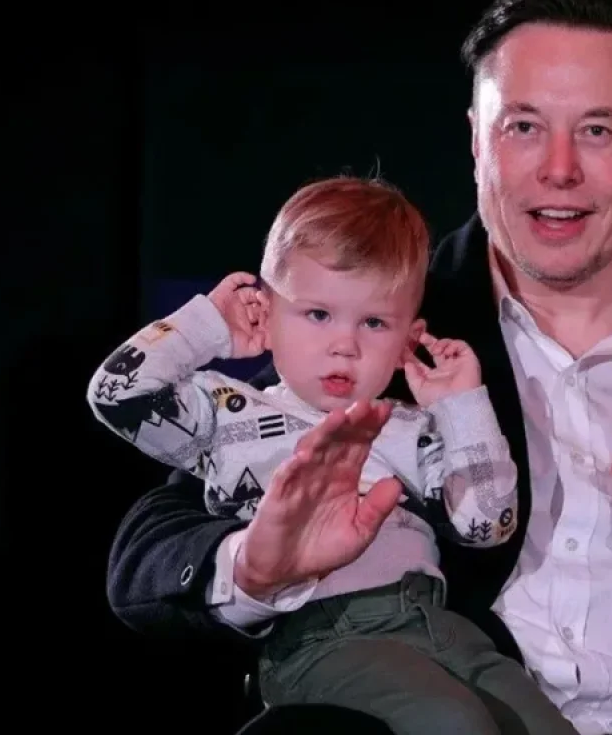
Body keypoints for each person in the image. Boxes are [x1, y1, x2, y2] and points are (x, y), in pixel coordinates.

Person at [106, 0, 612, 734]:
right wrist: (258, 564)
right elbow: (152, 550)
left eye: (598, 130)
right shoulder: (382, 323)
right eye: (523, 127)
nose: (559, 169)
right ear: (477, 143)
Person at [87, 177, 578, 735]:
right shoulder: (229, 414)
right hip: (320, 637)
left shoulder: (412, 427)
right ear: (266, 312)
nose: (345, 344)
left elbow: (487, 525)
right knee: (452, 722)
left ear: (408, 338)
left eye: (374, 323)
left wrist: (461, 406)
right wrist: (208, 326)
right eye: (318, 314)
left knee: (544, 726)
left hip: (436, 623)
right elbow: (116, 395)